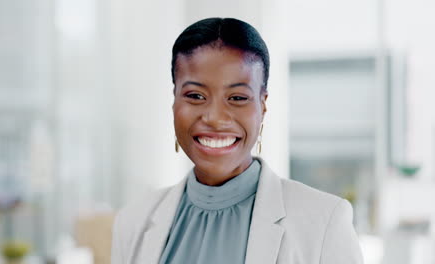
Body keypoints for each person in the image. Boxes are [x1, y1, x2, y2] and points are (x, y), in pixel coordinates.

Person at [111, 17, 363, 264]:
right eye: (196, 95)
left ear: (262, 105)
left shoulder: (323, 223)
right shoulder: (132, 222)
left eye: (238, 98)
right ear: (174, 99)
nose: (215, 118)